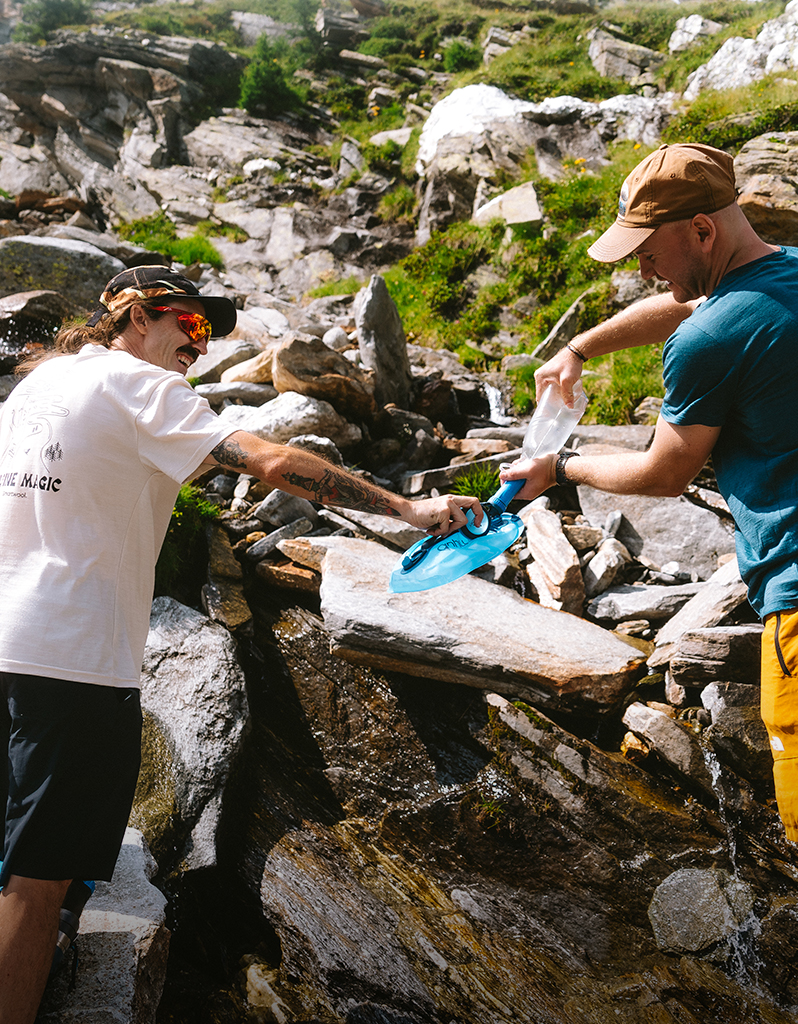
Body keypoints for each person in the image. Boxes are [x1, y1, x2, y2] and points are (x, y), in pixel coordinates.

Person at [0, 265, 482, 1024]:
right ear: (132, 313)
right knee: (39, 878)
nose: (198, 345)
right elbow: (271, 460)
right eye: (188, 325)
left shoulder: (40, 388)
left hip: (9, 641)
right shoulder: (142, 388)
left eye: (209, 333)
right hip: (73, 660)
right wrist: (406, 508)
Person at [501, 143, 798, 1024]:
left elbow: (665, 473)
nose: (637, 261)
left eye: (646, 244)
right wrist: (583, 344)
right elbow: (697, 307)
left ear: (703, 228)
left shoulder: (713, 337)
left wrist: (559, 467)